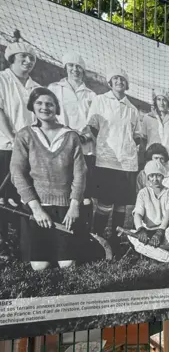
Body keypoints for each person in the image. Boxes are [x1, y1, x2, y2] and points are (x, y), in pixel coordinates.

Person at [10, 88, 86, 270]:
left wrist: (74, 206)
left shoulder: (71, 136)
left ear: (56, 108)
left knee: (67, 264)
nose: (45, 107)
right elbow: (17, 173)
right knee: (39, 267)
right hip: (37, 208)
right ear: (32, 107)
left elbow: (80, 173)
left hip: (64, 209)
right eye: (40, 103)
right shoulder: (25, 135)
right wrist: (35, 208)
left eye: (50, 104)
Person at [81, 68, 140, 246]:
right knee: (105, 202)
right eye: (115, 79)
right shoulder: (100, 100)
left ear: (126, 84)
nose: (119, 82)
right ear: (110, 82)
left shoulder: (133, 109)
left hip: (127, 161)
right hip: (106, 159)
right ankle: (97, 237)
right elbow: (91, 127)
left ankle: (114, 239)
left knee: (122, 204)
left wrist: (134, 148)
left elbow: (137, 134)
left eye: (122, 79)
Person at [48, 52, 96, 229]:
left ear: (83, 71)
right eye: (71, 66)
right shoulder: (54, 88)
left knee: (84, 194)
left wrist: (84, 136)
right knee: (62, 188)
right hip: (61, 147)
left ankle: (83, 231)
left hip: (85, 149)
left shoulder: (91, 95)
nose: (75, 70)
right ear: (65, 67)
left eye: (79, 67)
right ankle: (60, 228)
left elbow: (94, 123)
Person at [0, 42, 40, 252]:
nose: (28, 61)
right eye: (23, 57)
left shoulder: (35, 87)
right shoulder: (2, 79)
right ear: (12, 59)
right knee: (1, 196)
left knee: (20, 195)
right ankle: (1, 242)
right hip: (4, 147)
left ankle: (19, 241)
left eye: (31, 58)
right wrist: (14, 138)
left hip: (28, 150)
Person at [129, 160, 169, 262]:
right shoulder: (143, 193)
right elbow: (137, 214)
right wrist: (140, 229)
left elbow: (168, 215)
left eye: (158, 176)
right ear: (148, 177)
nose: (155, 179)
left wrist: (160, 232)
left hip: (165, 229)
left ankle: (151, 253)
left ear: (163, 177)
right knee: (131, 235)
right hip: (148, 231)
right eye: (152, 176)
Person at [136, 143, 169, 225]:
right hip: (148, 215)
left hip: (167, 214)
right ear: (150, 159)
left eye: (162, 159)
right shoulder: (142, 175)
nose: (159, 161)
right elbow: (140, 199)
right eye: (156, 158)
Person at [137, 90, 169, 173]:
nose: (161, 102)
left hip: (168, 165)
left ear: (168, 103)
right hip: (151, 162)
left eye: (164, 100)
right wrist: (141, 162)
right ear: (155, 102)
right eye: (159, 99)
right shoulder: (147, 118)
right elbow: (143, 143)